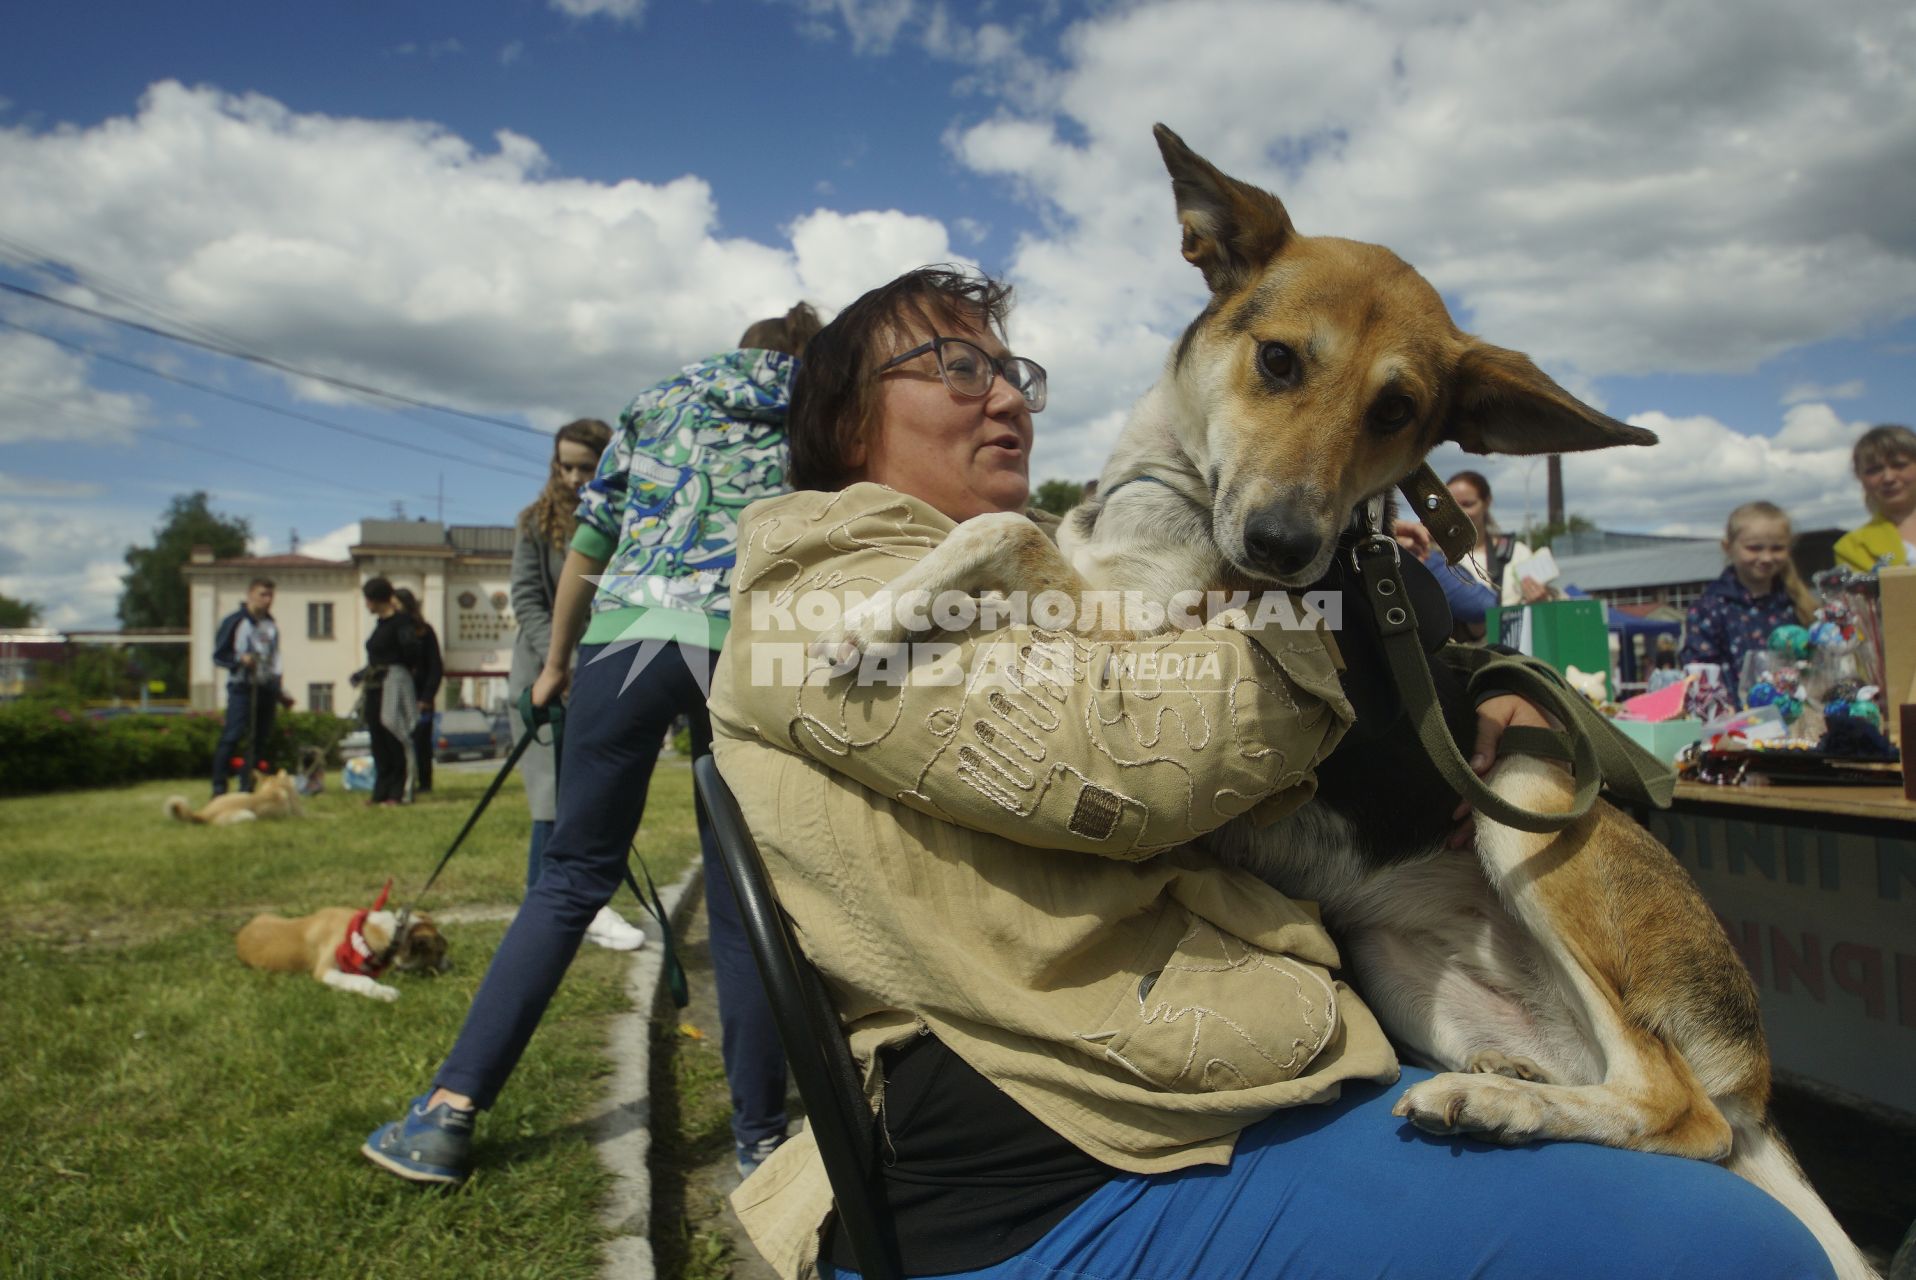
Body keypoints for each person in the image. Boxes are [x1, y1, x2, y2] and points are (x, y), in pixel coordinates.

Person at [703, 267, 1831, 1279]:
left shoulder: (1012, 562)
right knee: (1735, 1251)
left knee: (1705, 1210)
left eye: (1012, 371)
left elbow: (1123, 631)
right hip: (1053, 1156)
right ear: (837, 409)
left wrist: (1487, 680)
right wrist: (1336, 604)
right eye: (955, 366)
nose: (1003, 397)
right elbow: (1128, 761)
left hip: (1225, 1078)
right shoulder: (816, 587)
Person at [362, 301, 823, 1186]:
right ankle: (761, 1139)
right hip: (750, 650)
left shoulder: (660, 400)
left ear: (742, 352)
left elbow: (588, 545)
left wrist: (558, 661)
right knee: (743, 899)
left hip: (627, 640)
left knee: (572, 875)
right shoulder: (824, 408)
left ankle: (447, 1115)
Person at [508, 416, 644, 949]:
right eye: (563, 466)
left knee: (592, 792)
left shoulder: (631, 520)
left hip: (605, 665)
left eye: (585, 467)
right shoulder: (534, 523)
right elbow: (526, 600)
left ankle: (586, 903)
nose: (571, 477)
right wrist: (555, 661)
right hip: (545, 672)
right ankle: (543, 908)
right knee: (550, 794)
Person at [1679, 501, 1818, 702]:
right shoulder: (1709, 609)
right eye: (1754, 548)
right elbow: (1698, 672)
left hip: (1794, 721)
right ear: (1727, 547)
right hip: (1732, 724)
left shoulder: (1797, 605)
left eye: (1777, 548)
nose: (1766, 557)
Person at [210, 576, 286, 795]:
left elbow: (275, 658)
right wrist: (239, 660)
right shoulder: (235, 621)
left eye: (271, 595)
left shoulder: (271, 624)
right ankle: (219, 787)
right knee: (233, 736)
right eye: (263, 594)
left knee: (259, 739)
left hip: (265, 687)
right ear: (250, 595)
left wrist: (279, 687)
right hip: (242, 686)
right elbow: (218, 656)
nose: (268, 600)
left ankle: (248, 785)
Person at [356, 575, 421, 807]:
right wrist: (362, 674)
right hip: (376, 684)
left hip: (394, 683)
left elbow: (411, 654)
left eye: (368, 599)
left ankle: (398, 791)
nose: (366, 605)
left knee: (393, 734)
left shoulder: (402, 623)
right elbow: (376, 657)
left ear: (375, 600)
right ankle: (380, 791)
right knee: (377, 739)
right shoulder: (381, 625)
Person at [1834, 423, 1916, 571]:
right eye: (1874, 470)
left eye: (1899, 465)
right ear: (1859, 477)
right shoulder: (1852, 547)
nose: (1888, 478)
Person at [392, 587, 443, 795]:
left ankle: (424, 783)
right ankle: (402, 781)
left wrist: (427, 696)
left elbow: (435, 667)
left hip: (420, 695)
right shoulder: (392, 631)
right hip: (398, 695)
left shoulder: (424, 631)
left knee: (421, 742)